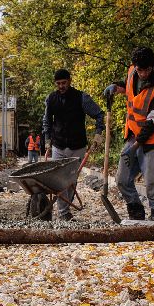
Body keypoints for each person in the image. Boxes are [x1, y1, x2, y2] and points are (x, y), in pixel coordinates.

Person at [104, 47, 154, 221]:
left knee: (152, 184)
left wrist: (135, 147)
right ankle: (136, 213)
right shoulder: (132, 72)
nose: (142, 74)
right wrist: (116, 87)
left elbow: (153, 123)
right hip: (133, 134)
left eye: (146, 70)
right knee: (122, 179)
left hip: (153, 141)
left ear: (153, 66)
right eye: (139, 70)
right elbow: (129, 89)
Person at [41, 68, 105, 220]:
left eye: (64, 83)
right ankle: (64, 213)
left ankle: (65, 208)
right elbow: (47, 121)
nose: (61, 86)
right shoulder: (51, 99)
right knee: (59, 179)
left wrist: (98, 134)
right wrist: (48, 141)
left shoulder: (81, 98)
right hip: (58, 144)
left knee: (71, 179)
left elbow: (99, 115)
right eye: (58, 84)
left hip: (77, 145)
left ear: (70, 81)